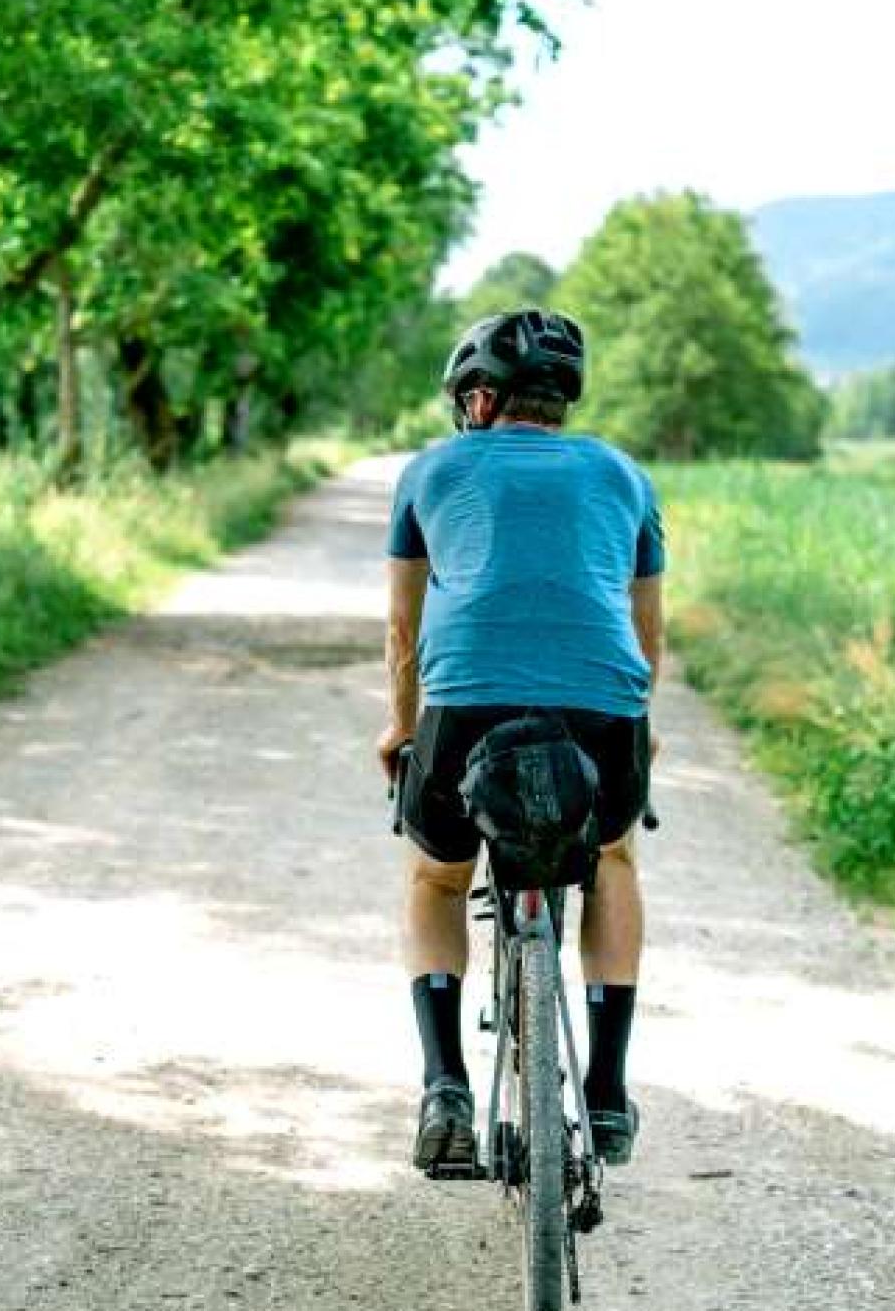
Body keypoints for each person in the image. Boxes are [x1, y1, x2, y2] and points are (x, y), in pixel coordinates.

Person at [377, 308, 665, 1173]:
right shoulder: (624, 475)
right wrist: (638, 735)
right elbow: (645, 633)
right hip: (601, 708)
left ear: (481, 396)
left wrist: (400, 729)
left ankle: (445, 1089)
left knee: (435, 876)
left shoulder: (432, 471)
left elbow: (404, 632)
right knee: (610, 860)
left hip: (464, 705)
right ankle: (607, 1096)